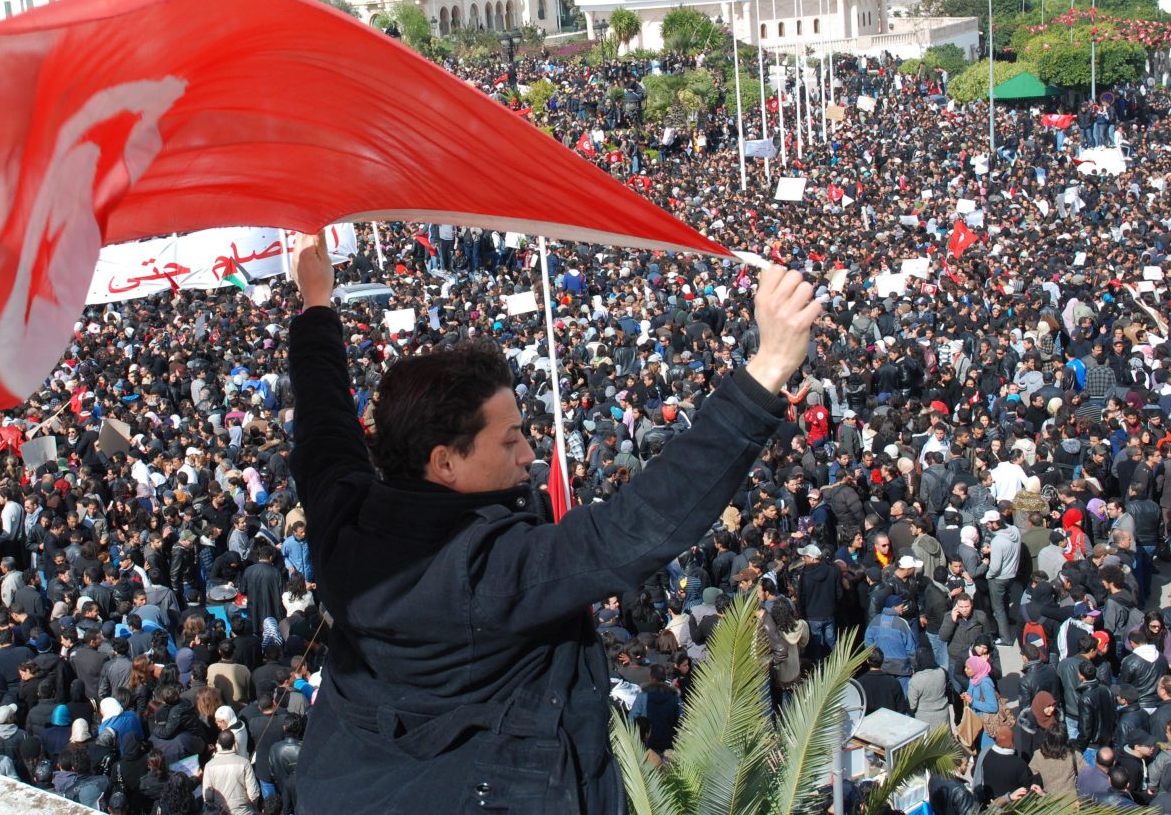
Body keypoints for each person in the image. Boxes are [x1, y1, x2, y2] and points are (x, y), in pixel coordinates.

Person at [286, 235, 818, 813]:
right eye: (510, 440)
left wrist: (317, 304)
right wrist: (767, 369)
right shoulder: (486, 571)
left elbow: (323, 423)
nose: (527, 455)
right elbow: (635, 527)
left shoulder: (343, 519)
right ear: (445, 462)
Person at [201, 729, 260, 815]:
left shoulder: (209, 766)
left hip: (220, 812)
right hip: (244, 811)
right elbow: (254, 794)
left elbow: (207, 796)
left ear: (218, 744)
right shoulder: (244, 763)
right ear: (234, 743)